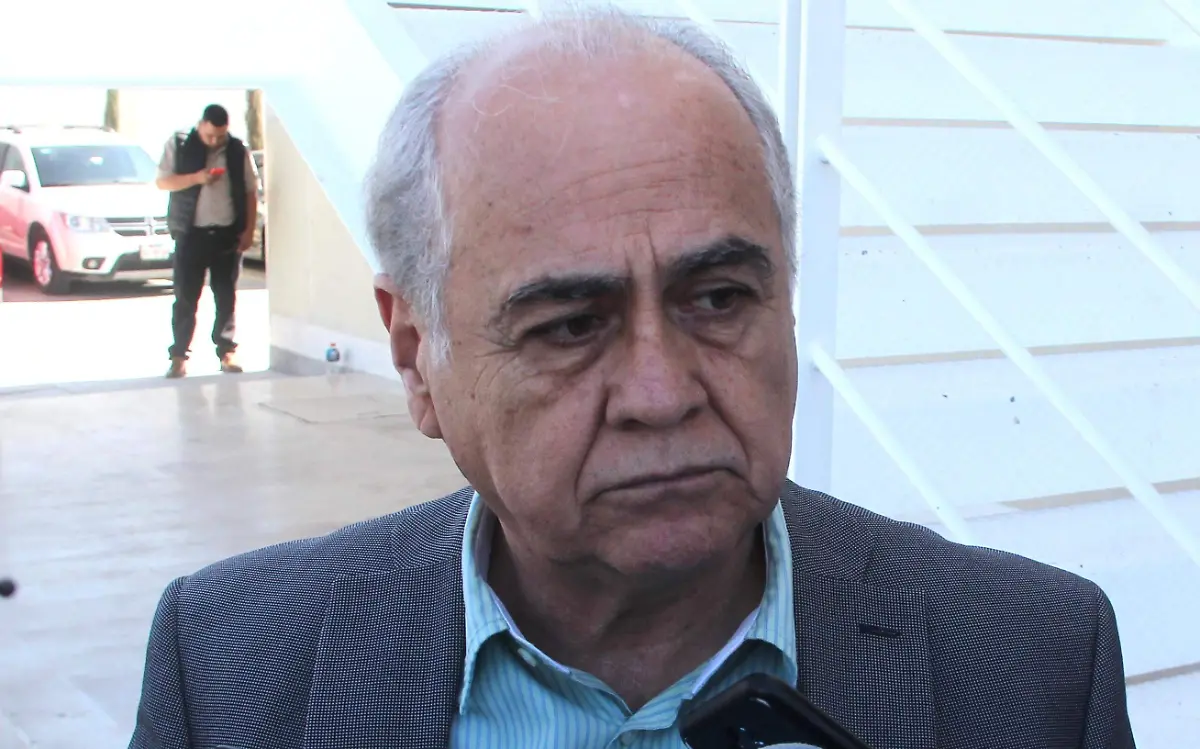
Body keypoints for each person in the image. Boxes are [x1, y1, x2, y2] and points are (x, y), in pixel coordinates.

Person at [129, 10, 1135, 749]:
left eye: (719, 299)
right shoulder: (229, 670)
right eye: (570, 325)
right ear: (415, 356)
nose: (661, 393)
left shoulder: (1033, 665)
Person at [155, 104, 258, 379]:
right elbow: (163, 182)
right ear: (200, 125)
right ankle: (179, 356)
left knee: (226, 296)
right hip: (191, 234)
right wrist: (196, 178)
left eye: (220, 136)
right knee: (186, 298)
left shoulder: (237, 149)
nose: (214, 141)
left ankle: (227, 351)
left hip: (226, 233)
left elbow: (250, 191)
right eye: (210, 135)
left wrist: (248, 229)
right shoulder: (179, 144)